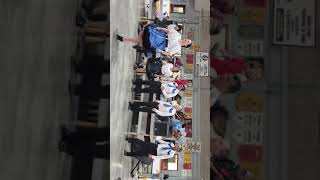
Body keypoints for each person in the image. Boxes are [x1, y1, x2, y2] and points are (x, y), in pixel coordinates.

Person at [116, 23, 192, 58]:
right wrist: (160, 28)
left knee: (140, 39)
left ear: (185, 45)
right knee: (142, 34)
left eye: (187, 42)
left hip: (161, 44)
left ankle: (124, 39)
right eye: (187, 39)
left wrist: (161, 51)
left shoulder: (178, 48)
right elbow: (168, 31)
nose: (186, 40)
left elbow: (169, 53)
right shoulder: (178, 35)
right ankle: (137, 43)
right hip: (160, 35)